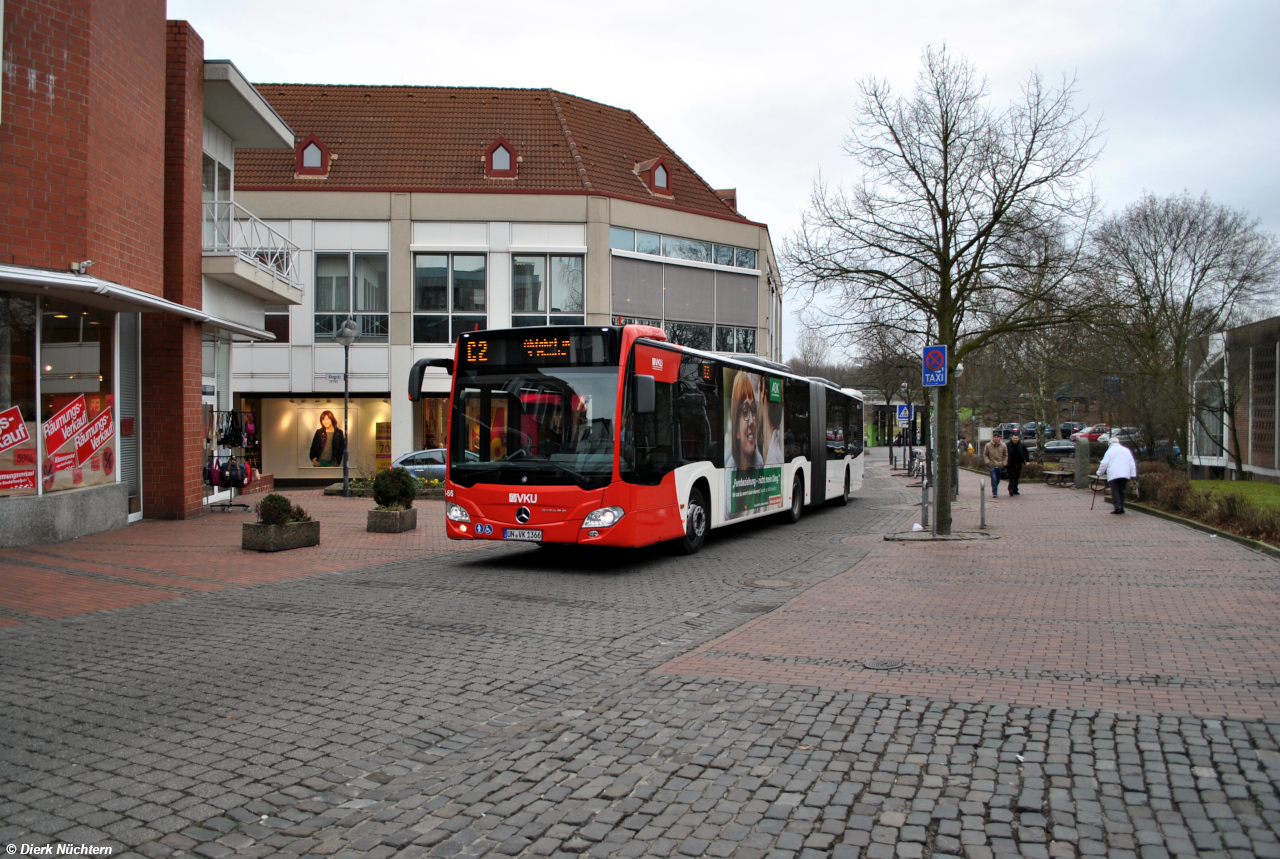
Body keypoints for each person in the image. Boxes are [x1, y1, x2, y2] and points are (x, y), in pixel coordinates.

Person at [725, 371, 763, 470]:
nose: (751, 421)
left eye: (753, 410)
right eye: (745, 412)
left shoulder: (760, 465)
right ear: (736, 430)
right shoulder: (729, 468)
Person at [1097, 435, 1138, 514]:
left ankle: (1117, 507)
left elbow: (1104, 463)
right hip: (1124, 474)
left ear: (1110, 444)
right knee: (1122, 491)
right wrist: (1133, 474)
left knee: (1115, 491)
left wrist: (1099, 472)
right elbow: (1131, 463)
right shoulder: (1126, 450)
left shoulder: (1109, 451)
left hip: (1113, 474)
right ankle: (1122, 507)